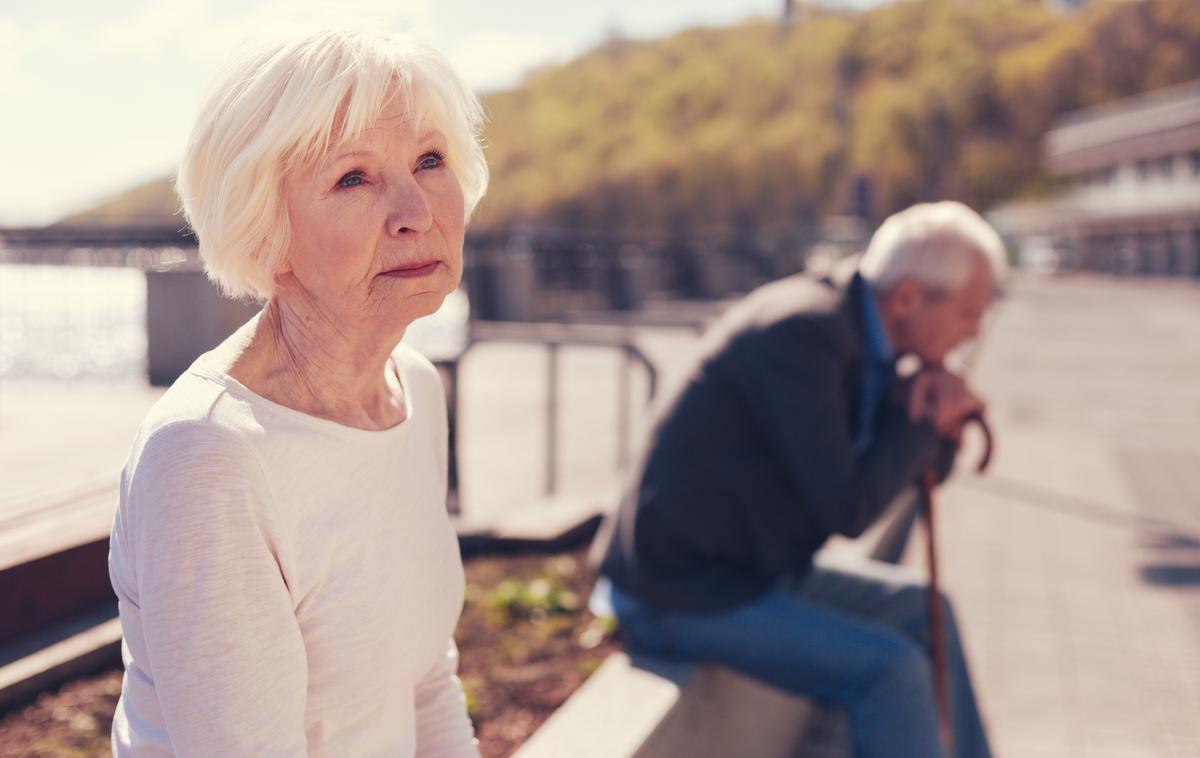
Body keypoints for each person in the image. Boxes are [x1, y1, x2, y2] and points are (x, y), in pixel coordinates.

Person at [106, 28, 488, 757]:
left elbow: (425, 682)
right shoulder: (206, 455)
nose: (416, 211)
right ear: (266, 230)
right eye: (354, 178)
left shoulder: (413, 388)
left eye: (430, 161)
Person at [594, 201, 1007, 758]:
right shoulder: (804, 336)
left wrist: (932, 409)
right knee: (892, 671)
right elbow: (850, 508)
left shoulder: (866, 332)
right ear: (908, 296)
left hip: (754, 569)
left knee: (927, 609)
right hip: (678, 589)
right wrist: (925, 417)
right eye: (968, 313)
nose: (975, 332)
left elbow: (920, 470)